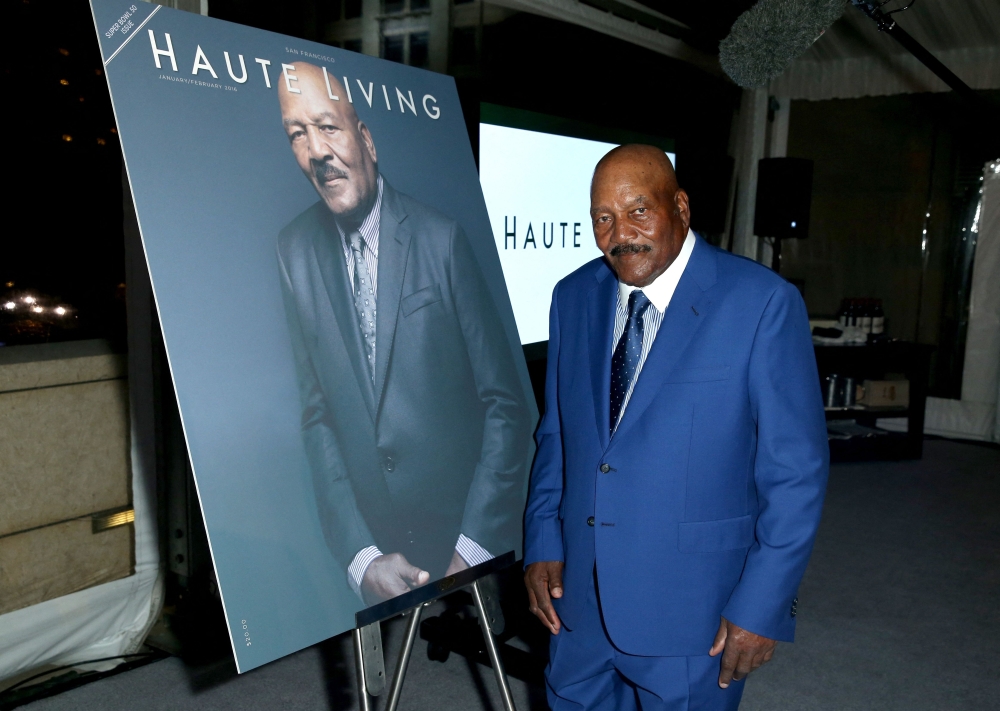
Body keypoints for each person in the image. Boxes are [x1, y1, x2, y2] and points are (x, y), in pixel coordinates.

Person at [523, 145, 828, 710]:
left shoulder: (761, 303)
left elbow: (796, 475)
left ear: (681, 208)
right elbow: (559, 434)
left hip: (694, 611)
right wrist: (543, 539)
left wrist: (761, 606)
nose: (620, 234)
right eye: (602, 218)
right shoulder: (573, 296)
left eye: (638, 211)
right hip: (579, 603)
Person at [276, 63, 530, 605]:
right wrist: (361, 556)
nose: (317, 151)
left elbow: (506, 404)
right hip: (376, 541)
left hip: (458, 530)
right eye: (298, 134)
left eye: (328, 126)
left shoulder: (441, 239)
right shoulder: (293, 250)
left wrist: (476, 544)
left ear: (365, 138)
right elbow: (317, 414)